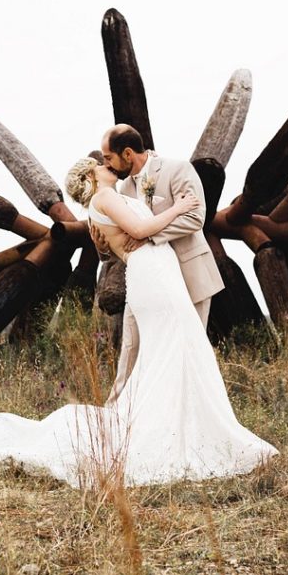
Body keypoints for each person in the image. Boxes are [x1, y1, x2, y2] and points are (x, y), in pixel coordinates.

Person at [0, 155, 277, 488]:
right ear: (92, 177)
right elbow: (141, 230)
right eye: (101, 164)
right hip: (153, 277)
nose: (108, 165)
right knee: (174, 349)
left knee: (179, 352)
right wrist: (179, 207)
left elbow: (127, 236)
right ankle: (176, 433)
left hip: (159, 273)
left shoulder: (111, 199)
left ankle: (192, 427)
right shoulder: (104, 198)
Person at [91, 124, 224, 403]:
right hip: (147, 279)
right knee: (131, 346)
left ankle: (188, 417)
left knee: (190, 351)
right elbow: (123, 240)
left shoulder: (178, 169)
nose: (107, 165)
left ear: (127, 153)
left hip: (189, 272)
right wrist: (104, 249)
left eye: (108, 158)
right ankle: (115, 413)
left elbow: (195, 218)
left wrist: (149, 237)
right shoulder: (122, 189)